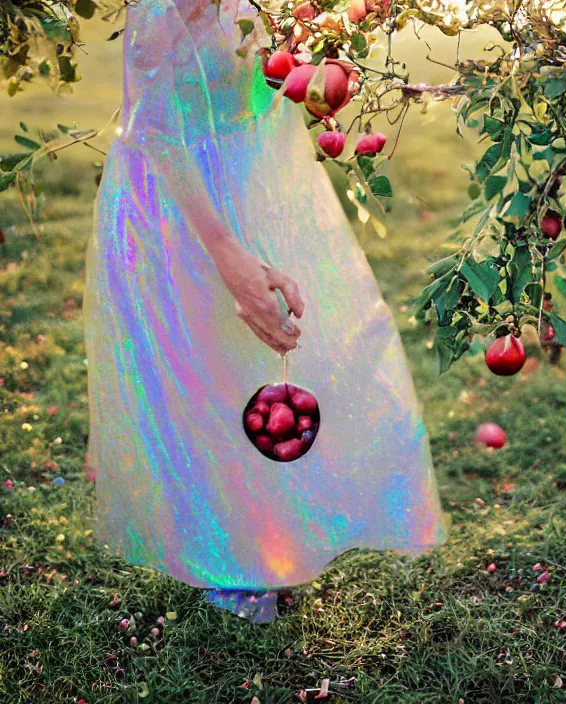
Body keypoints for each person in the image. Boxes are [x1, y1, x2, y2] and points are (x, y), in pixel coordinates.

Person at [83, 0, 450, 624]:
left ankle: (277, 532)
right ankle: (228, 556)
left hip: (258, 176)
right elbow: (152, 127)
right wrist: (228, 253)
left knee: (289, 353)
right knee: (208, 375)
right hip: (180, 202)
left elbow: (284, 71)